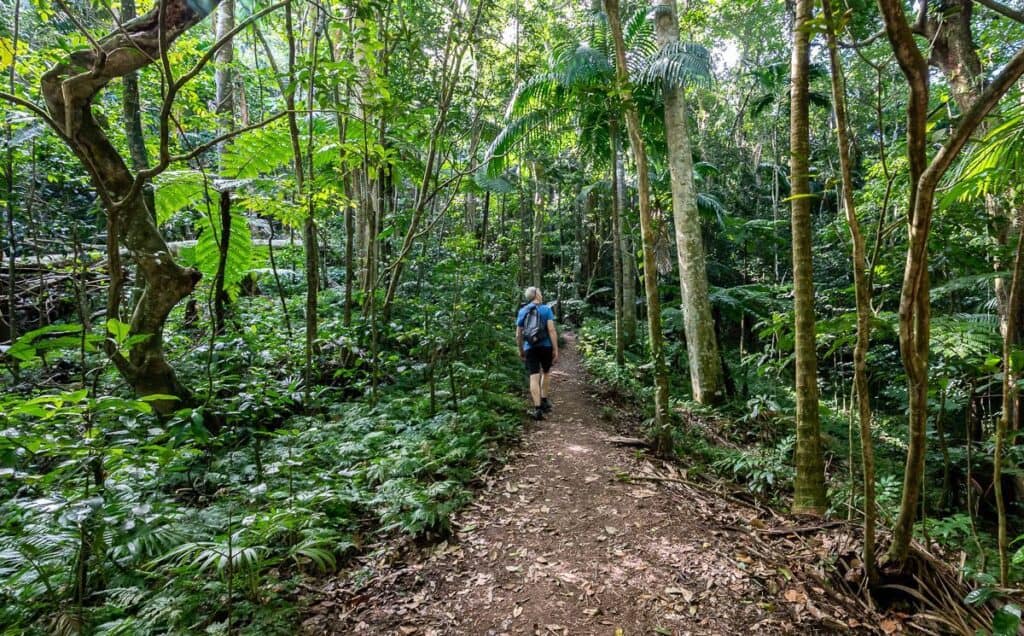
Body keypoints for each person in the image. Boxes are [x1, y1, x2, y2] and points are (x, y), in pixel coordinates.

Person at [515, 286, 558, 420]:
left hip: (530, 347)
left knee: (534, 376)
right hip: (546, 346)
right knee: (546, 372)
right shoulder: (546, 309)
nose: (541, 294)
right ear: (536, 295)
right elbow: (551, 330)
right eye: (540, 292)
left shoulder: (523, 311)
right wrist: (555, 349)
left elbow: (518, 334)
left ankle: (538, 409)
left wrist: (521, 349)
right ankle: (544, 400)